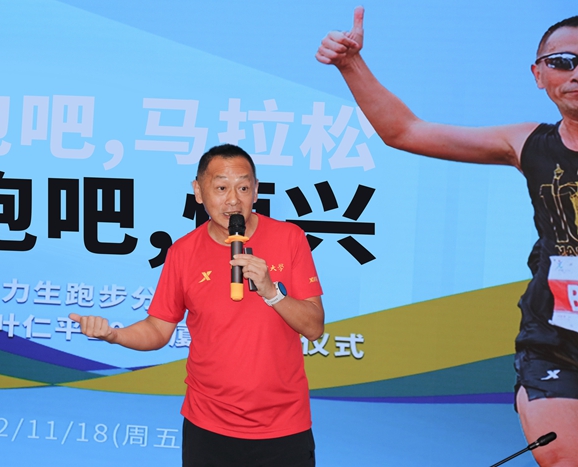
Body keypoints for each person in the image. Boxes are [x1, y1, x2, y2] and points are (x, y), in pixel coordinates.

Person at [316, 7, 578, 467]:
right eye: (562, 62)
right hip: (554, 342)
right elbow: (405, 131)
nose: (574, 73)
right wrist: (350, 64)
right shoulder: (527, 143)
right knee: (561, 456)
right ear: (539, 75)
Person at [70, 143, 324, 467]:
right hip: (208, 426)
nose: (233, 200)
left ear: (256, 191)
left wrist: (272, 292)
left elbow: (314, 327)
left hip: (283, 426)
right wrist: (114, 335)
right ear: (199, 191)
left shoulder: (290, 238)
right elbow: (158, 328)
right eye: (221, 188)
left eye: (243, 187)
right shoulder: (183, 253)